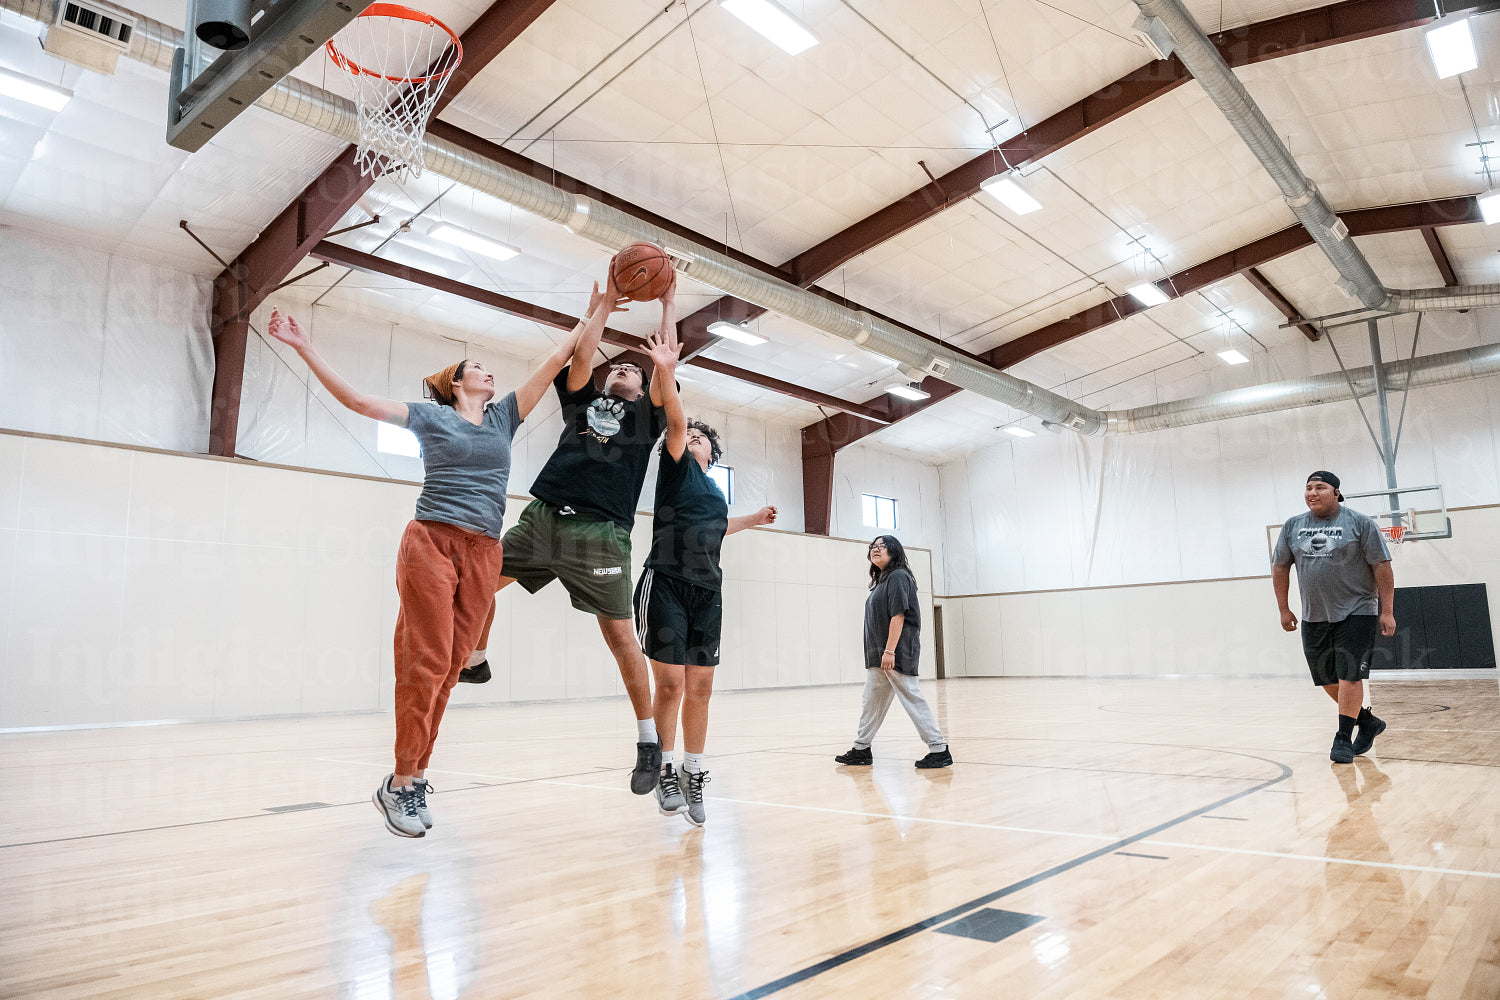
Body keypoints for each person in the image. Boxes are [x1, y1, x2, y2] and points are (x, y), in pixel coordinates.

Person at [265, 284, 614, 837]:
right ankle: (401, 781)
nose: (490, 373)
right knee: (424, 663)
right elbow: (358, 402)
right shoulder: (429, 417)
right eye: (478, 367)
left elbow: (556, 361)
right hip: (431, 540)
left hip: (484, 548)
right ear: (456, 381)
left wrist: (599, 310)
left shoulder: (502, 419)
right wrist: (303, 345)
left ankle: (414, 776)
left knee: (451, 670)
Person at [461, 265, 677, 795]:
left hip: (601, 535)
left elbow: (665, 368)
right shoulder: (583, 400)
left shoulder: (647, 419)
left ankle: (648, 741)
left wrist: (669, 306)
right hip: (542, 518)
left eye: (634, 367)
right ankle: (476, 658)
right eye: (618, 365)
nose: (624, 366)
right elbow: (583, 356)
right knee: (476, 581)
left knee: (620, 637)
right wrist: (601, 307)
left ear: (644, 384)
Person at [635, 306, 778, 826]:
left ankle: (694, 772)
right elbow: (674, 416)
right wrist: (667, 370)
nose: (689, 437)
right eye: (687, 435)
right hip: (667, 582)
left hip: (707, 591)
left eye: (699, 437)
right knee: (669, 682)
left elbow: (718, 529)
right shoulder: (673, 465)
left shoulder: (714, 491)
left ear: (711, 453)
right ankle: (665, 767)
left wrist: (754, 519)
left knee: (701, 687)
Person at [1272, 470, 1396, 764]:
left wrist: (1387, 610)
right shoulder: (1293, 526)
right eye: (1308, 488)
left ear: (1336, 492)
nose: (1312, 493)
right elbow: (1279, 567)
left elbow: (1382, 566)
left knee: (1349, 674)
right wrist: (1283, 608)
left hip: (1358, 609)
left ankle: (1342, 738)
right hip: (1314, 615)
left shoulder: (1359, 523)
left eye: (1320, 487)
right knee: (1327, 679)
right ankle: (1367, 722)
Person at [834, 535, 952, 769]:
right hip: (880, 655)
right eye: (873, 547)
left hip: (896, 652)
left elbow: (898, 616)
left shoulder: (898, 576)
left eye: (882, 546)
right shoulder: (881, 581)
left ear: (894, 552)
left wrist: (889, 650)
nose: (876, 550)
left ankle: (939, 749)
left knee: (911, 697)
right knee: (871, 701)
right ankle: (861, 749)